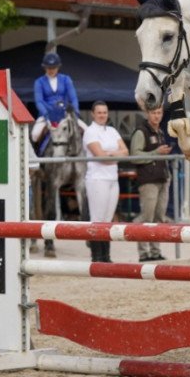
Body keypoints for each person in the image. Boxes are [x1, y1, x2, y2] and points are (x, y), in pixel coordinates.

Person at [83, 100, 129, 262]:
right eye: (99, 112)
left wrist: (109, 155)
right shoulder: (90, 131)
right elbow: (99, 155)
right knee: (97, 218)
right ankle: (96, 257)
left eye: (104, 112)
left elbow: (126, 151)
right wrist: (114, 154)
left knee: (108, 219)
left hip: (112, 178)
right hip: (97, 179)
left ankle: (106, 256)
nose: (102, 115)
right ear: (93, 114)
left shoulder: (112, 130)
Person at [130, 106, 172, 262]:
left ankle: (155, 251)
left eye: (159, 113)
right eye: (154, 113)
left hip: (162, 178)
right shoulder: (141, 132)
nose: (157, 116)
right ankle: (143, 253)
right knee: (147, 217)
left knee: (159, 217)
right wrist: (156, 153)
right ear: (147, 114)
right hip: (148, 180)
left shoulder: (160, 131)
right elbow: (134, 156)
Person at [31, 51, 87, 144]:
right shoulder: (39, 82)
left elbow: (73, 98)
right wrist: (46, 114)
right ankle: (36, 156)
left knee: (87, 131)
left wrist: (75, 112)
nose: (51, 70)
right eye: (49, 68)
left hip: (65, 114)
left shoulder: (66, 79)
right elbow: (39, 101)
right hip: (47, 115)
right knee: (35, 135)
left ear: (58, 67)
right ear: (45, 67)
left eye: (54, 67)